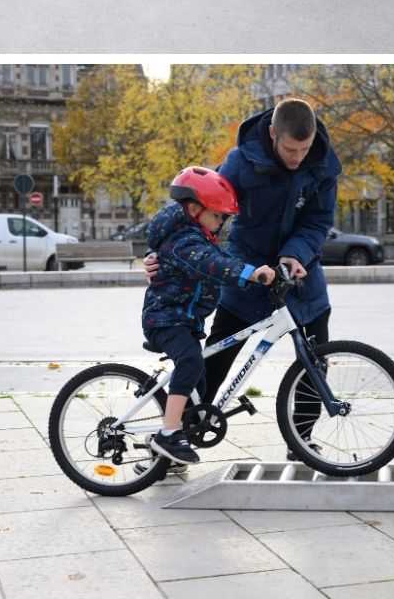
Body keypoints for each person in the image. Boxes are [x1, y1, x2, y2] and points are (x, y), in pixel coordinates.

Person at [145, 99, 341, 462]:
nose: (298, 156)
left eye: (304, 148)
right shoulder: (241, 161)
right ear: (272, 134)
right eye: (289, 149)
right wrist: (159, 250)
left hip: (300, 274)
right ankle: (175, 439)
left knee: (314, 362)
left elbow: (317, 221)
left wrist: (295, 254)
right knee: (213, 359)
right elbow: (199, 203)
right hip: (244, 271)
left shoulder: (323, 166)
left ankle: (302, 442)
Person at [141, 167, 276, 464]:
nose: (220, 223)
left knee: (198, 383)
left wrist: (255, 270)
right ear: (194, 209)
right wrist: (250, 274)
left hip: (184, 321)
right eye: (217, 216)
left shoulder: (198, 236)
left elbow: (224, 258)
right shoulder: (185, 242)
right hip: (165, 320)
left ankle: (164, 456)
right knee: (190, 362)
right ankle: (168, 435)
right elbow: (211, 264)